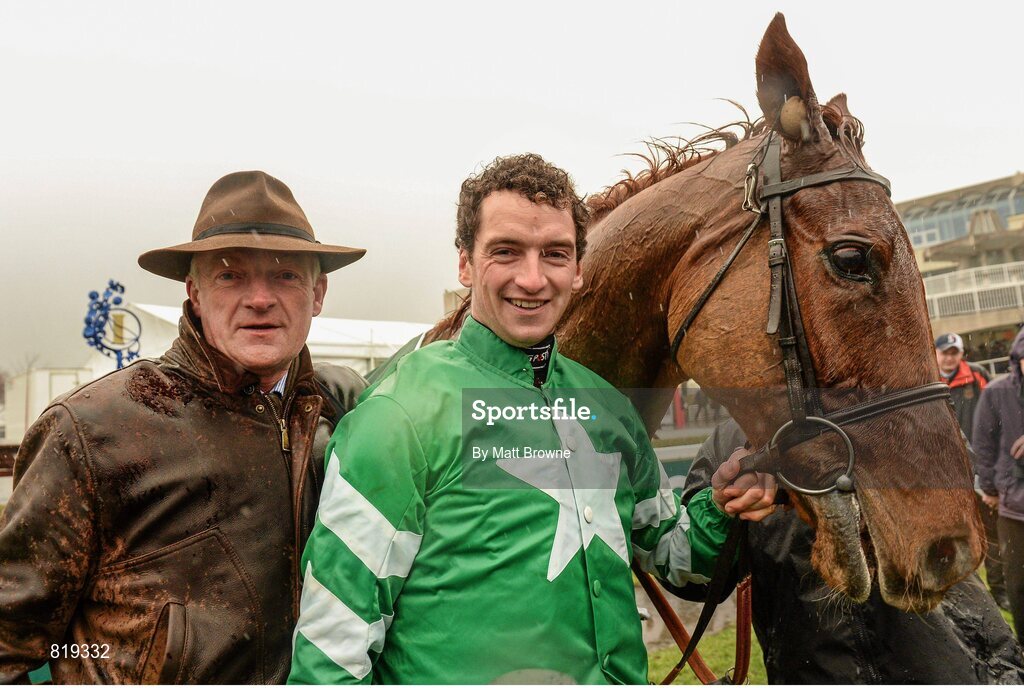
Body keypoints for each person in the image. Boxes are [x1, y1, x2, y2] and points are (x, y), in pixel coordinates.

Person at [288, 154, 777, 684]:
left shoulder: (606, 407)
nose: (533, 278)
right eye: (506, 252)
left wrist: (723, 506)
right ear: (465, 264)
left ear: (579, 269)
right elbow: (330, 653)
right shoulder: (400, 412)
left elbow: (675, 553)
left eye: (555, 254)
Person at [0, 171, 368, 683]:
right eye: (230, 276)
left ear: (318, 292)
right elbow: (9, 640)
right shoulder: (91, 430)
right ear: (194, 294)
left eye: (285, 276)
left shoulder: (343, 408)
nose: (259, 298)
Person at [682, 419, 1024, 683]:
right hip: (815, 670)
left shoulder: (885, 395)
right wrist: (720, 505)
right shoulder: (729, 443)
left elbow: (958, 466)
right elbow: (695, 580)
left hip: (947, 658)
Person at [934, 332, 1006, 608]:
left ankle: (999, 592)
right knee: (955, 535)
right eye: (945, 352)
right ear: (937, 353)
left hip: (981, 466)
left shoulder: (977, 375)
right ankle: (967, 596)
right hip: (946, 471)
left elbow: (996, 414)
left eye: (955, 352)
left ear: (961, 353)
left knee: (993, 533)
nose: (950, 357)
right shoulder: (927, 379)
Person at [974, 325, 1024, 642]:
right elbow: (984, 445)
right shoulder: (996, 392)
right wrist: (991, 488)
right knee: (1018, 584)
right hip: (1014, 508)